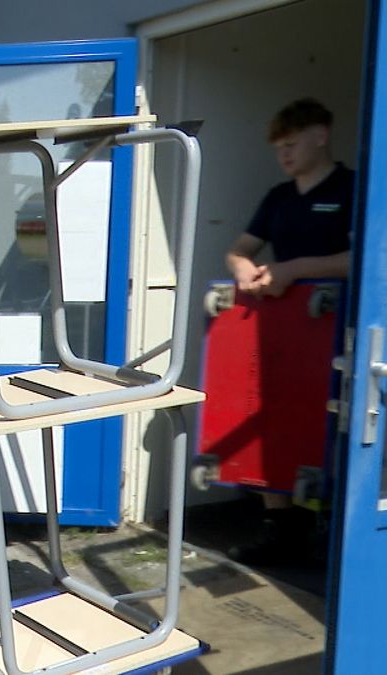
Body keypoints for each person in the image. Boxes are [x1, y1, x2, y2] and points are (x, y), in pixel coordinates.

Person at [224, 98, 354, 564]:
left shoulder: (353, 189)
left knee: (331, 425)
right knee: (273, 420)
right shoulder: (278, 197)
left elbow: (364, 260)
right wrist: (243, 269)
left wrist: (294, 268)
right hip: (281, 331)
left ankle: (336, 535)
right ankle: (282, 531)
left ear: (321, 135)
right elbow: (240, 250)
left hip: (338, 332)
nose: (284, 153)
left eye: (291, 143)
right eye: (278, 146)